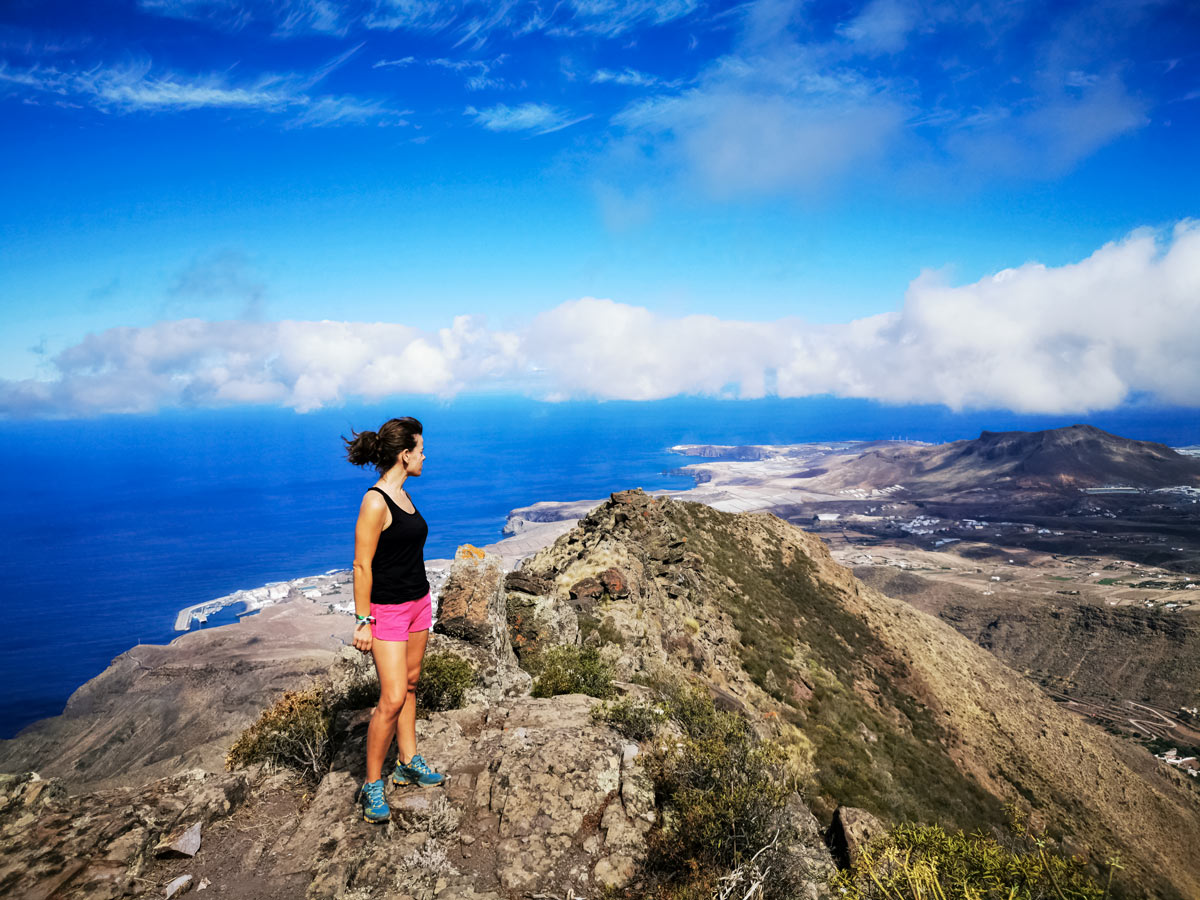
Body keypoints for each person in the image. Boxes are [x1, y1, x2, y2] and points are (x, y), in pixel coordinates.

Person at [344, 416, 445, 824]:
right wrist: (363, 620)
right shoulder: (375, 501)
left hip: (419, 602)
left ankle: (407, 761)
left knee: (413, 684)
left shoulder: (403, 495)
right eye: (420, 449)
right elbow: (361, 565)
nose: (425, 455)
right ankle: (372, 785)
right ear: (405, 455)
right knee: (393, 696)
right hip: (387, 612)